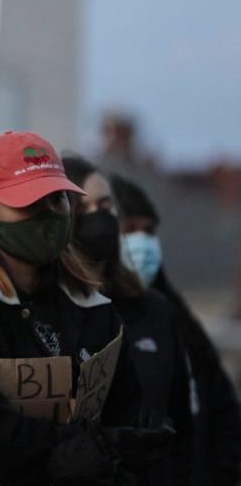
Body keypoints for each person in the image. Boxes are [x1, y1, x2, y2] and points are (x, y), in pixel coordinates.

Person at [0, 131, 145, 485]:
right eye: (29, 201)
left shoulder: (95, 307)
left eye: (57, 199)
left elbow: (125, 413)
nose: (48, 213)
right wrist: (80, 447)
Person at [64, 156, 192, 485]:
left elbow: (183, 422)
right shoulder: (53, 312)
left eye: (105, 205)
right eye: (84, 209)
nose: (99, 218)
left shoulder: (155, 310)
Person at [112, 174, 241, 486]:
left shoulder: (172, 313)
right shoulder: (99, 320)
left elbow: (220, 404)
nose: (142, 243)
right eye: (129, 230)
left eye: (149, 231)